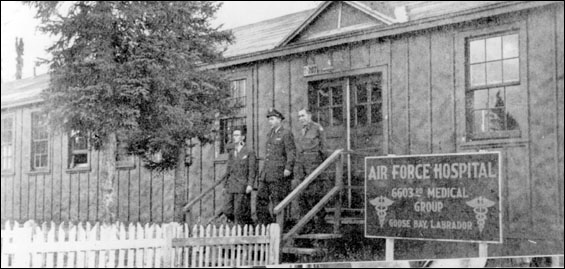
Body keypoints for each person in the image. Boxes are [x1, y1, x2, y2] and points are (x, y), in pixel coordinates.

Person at [256, 108, 296, 225]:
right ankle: (266, 225)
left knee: (277, 201)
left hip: (279, 173)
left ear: (279, 119)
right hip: (267, 173)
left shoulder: (286, 133)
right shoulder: (270, 134)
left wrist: (288, 168)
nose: (270, 121)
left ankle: (278, 227)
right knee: (260, 199)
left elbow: (291, 152)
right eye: (269, 119)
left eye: (272, 119)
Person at [293, 107, 328, 233]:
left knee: (314, 194)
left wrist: (320, 165)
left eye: (302, 116)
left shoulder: (317, 128)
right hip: (302, 166)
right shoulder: (301, 130)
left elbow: (323, 148)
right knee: (303, 194)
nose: (300, 119)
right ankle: (307, 225)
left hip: (314, 165)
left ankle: (319, 222)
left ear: (309, 115)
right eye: (299, 117)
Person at [222, 127, 256, 225]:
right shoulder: (232, 152)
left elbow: (252, 169)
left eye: (237, 135)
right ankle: (246, 223)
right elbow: (228, 170)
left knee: (239, 211)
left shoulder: (249, 151)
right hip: (231, 185)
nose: (234, 137)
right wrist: (225, 186)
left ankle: (241, 229)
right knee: (226, 210)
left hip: (242, 186)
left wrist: (250, 184)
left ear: (243, 137)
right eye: (233, 135)